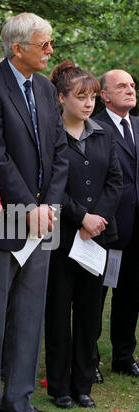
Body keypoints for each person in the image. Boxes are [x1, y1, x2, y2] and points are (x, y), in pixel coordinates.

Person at [0, 12, 68, 412]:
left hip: (45, 217)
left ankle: (18, 397)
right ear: (17, 48)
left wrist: (51, 205)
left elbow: (61, 149)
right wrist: (28, 204)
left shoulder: (45, 88)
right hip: (4, 215)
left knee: (30, 310)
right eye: (43, 44)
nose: (50, 51)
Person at [44, 61, 122, 409]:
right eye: (81, 96)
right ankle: (60, 387)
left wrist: (99, 217)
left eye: (93, 97)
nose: (89, 103)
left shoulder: (104, 133)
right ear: (62, 98)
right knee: (59, 313)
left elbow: (115, 180)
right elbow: (50, 186)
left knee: (90, 314)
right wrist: (81, 217)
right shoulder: (50, 134)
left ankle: (83, 384)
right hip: (62, 237)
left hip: (99, 237)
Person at [93, 69, 139, 378]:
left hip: (137, 227)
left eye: (132, 85)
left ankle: (124, 356)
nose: (130, 90)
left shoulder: (137, 125)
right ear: (104, 95)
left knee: (131, 295)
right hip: (105, 225)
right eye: (122, 86)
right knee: (95, 296)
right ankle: (88, 358)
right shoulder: (94, 126)